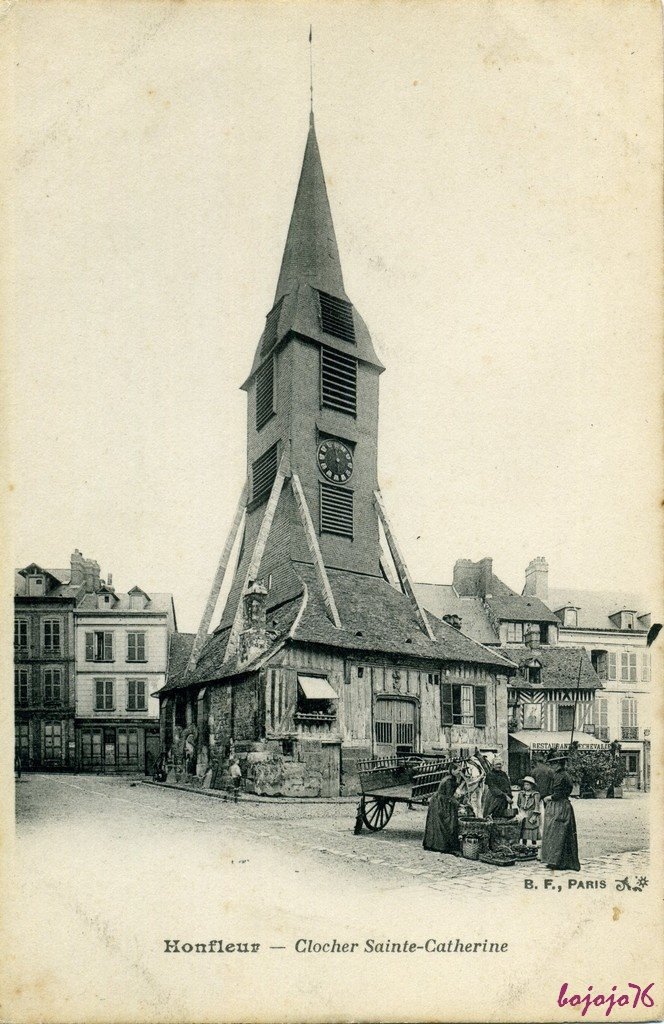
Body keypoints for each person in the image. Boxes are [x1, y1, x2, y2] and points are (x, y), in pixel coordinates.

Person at [540, 755, 580, 871]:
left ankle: (558, 862)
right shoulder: (560, 775)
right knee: (558, 833)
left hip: (560, 806)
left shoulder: (561, 776)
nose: (551, 766)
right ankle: (556, 861)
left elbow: (558, 793)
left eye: (553, 764)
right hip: (561, 806)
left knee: (557, 833)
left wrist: (549, 797)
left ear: (558, 765)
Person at [423, 771, 461, 854]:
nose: (459, 771)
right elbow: (449, 796)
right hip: (440, 802)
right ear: (453, 771)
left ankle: (435, 844)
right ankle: (440, 846)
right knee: (444, 822)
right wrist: (459, 804)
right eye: (457, 770)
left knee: (441, 823)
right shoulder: (449, 781)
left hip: (441, 800)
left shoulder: (451, 778)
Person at [480, 755, 515, 819]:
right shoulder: (490, 774)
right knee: (493, 815)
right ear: (493, 765)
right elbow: (493, 788)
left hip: (504, 799)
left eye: (500, 764)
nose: (499, 766)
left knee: (502, 816)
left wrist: (509, 795)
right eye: (497, 764)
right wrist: (505, 796)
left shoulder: (504, 774)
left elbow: (508, 785)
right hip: (494, 798)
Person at [517, 776, 541, 845]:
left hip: (531, 814)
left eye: (528, 785)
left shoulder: (535, 794)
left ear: (532, 785)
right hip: (524, 814)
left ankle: (534, 845)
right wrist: (521, 811)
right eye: (525, 785)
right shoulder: (521, 794)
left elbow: (537, 806)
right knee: (524, 829)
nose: (526, 786)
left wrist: (535, 816)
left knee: (532, 829)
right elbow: (518, 803)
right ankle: (524, 844)